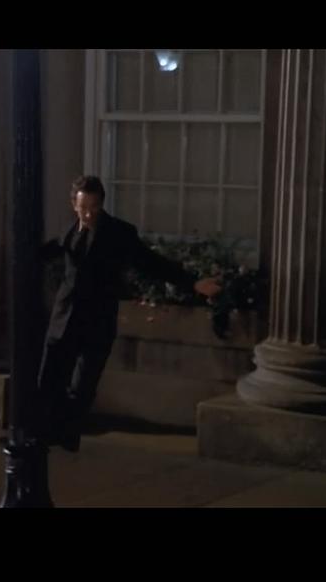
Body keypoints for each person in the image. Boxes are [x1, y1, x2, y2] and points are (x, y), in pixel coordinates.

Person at [37, 175, 199, 452]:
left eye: (94, 208)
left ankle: (67, 434)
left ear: (102, 204)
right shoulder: (70, 230)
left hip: (96, 322)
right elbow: (53, 252)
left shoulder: (119, 233)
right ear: (74, 205)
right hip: (63, 319)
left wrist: (192, 283)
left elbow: (151, 263)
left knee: (82, 386)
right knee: (48, 380)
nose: (89, 214)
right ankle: (45, 434)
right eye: (83, 208)